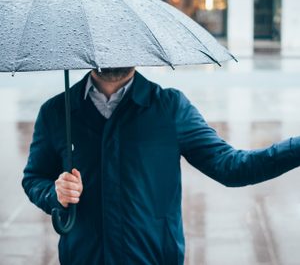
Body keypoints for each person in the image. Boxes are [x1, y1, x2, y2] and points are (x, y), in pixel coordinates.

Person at [22, 67, 300, 265]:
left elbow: (232, 167)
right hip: (84, 256)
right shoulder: (57, 111)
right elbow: (34, 177)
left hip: (152, 256)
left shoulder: (170, 108)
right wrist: (54, 193)